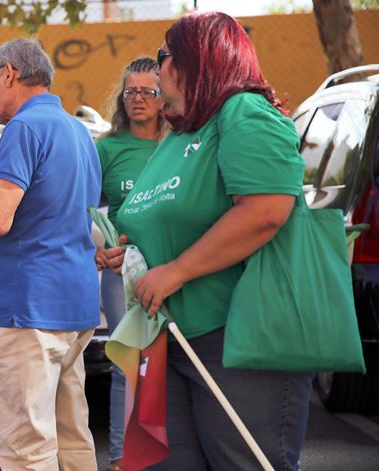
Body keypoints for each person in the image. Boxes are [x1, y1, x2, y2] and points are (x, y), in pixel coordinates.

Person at [101, 11, 313, 470]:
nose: (157, 70)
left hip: (238, 337)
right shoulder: (181, 133)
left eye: (164, 56)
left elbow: (264, 212)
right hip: (173, 338)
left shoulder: (242, 112)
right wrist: (136, 252)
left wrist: (174, 271)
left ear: (198, 59)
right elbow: (172, 216)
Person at [0, 38, 101, 470]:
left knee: (25, 447)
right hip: (75, 304)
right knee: (72, 437)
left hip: (27, 309)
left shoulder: (23, 128)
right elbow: (57, 205)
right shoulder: (77, 130)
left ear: (8, 74)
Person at [94, 56, 165, 471]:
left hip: (176, 268)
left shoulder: (180, 143)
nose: (138, 99)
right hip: (123, 273)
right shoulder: (106, 148)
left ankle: (170, 452)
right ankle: (122, 457)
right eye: (130, 91)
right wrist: (97, 252)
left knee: (173, 363)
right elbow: (82, 209)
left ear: (164, 97)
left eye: (148, 91)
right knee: (129, 364)